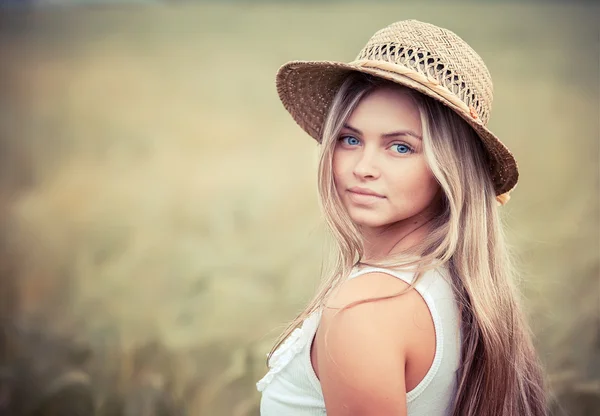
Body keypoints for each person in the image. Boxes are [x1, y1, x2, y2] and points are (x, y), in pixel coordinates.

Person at [256, 19, 548, 416]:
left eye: (400, 147)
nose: (364, 167)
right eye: (350, 139)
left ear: (450, 167)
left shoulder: (365, 310)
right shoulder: (461, 284)